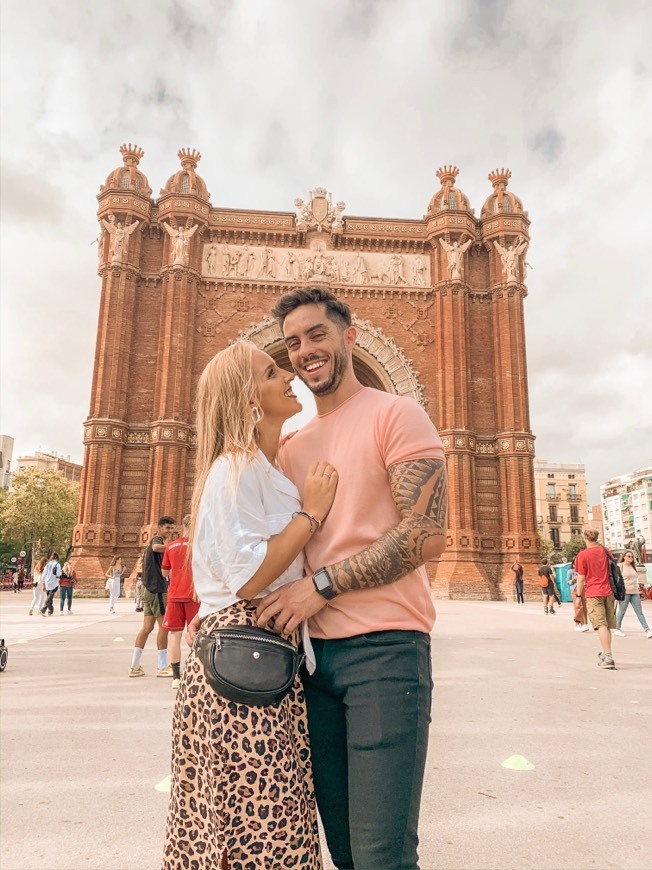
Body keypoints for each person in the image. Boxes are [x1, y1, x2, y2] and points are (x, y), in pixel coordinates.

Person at [256, 286, 448, 870]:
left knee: (380, 855)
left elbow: (425, 536)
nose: (305, 350)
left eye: (317, 334)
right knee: (343, 850)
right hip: (312, 665)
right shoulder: (290, 447)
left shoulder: (396, 413)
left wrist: (320, 587)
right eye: (293, 343)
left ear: (349, 338)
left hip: (386, 656)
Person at [163, 340, 337, 870]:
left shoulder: (266, 470)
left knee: (270, 821)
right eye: (270, 371)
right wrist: (311, 513)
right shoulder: (234, 467)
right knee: (255, 825)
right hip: (241, 665)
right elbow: (248, 577)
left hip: (261, 659)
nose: (287, 375)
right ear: (247, 401)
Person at [128, 517, 175, 678]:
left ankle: (134, 666)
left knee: (147, 628)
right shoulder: (157, 540)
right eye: (167, 528)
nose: (170, 531)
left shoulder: (157, 542)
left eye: (172, 528)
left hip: (149, 589)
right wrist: (173, 546)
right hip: (156, 589)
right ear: (159, 528)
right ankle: (162, 666)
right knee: (164, 627)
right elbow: (156, 547)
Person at [161, 515, 199, 689]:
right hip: (194, 595)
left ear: (182, 527)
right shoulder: (200, 545)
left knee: (174, 635)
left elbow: (164, 573)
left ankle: (176, 677)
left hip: (175, 595)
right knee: (197, 635)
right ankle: (196, 673)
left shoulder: (171, 546)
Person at [575, 529, 617, 669]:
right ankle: (606, 654)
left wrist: (579, 596)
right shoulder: (605, 551)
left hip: (594, 592)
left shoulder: (583, 555)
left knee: (601, 625)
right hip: (609, 591)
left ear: (585, 537)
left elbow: (581, 578)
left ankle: (609, 657)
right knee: (607, 625)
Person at [613, 549, 652, 638]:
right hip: (625, 592)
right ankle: (617, 629)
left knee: (639, 612)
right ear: (624, 557)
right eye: (629, 556)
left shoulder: (633, 566)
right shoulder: (620, 566)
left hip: (635, 592)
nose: (631, 558)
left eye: (632, 556)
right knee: (622, 611)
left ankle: (647, 630)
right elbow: (616, 579)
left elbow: (635, 578)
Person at [569, 558, 589, 632]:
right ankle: (577, 623)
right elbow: (568, 582)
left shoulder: (583, 571)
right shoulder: (570, 571)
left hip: (583, 589)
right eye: (575, 564)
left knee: (584, 606)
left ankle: (584, 624)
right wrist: (574, 579)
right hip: (574, 589)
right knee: (578, 606)